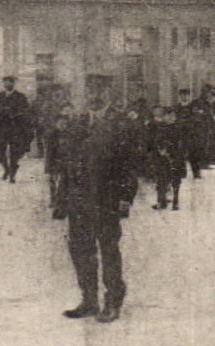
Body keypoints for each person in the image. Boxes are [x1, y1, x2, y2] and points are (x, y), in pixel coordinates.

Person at [53, 90, 137, 322]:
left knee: (109, 250)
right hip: (79, 201)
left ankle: (113, 302)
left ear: (108, 93)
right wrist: (61, 198)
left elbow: (129, 164)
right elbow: (67, 165)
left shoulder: (120, 124)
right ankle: (89, 300)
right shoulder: (77, 124)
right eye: (90, 89)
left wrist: (126, 197)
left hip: (106, 200)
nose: (94, 96)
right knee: (81, 250)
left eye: (99, 88)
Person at [0, 76, 34, 183]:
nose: (7, 84)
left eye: (10, 82)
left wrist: (13, 113)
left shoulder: (20, 97)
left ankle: (12, 175)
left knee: (14, 153)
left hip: (15, 129)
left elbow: (25, 111)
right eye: (5, 82)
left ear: (13, 84)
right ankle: (6, 169)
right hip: (2, 129)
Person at [146, 105, 185, 210]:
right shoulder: (161, 128)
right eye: (168, 115)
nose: (170, 118)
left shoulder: (179, 128)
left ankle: (176, 201)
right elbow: (156, 141)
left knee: (176, 179)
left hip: (176, 157)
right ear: (164, 116)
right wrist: (160, 149)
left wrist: (176, 152)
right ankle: (161, 200)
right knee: (161, 178)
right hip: (162, 157)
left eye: (173, 116)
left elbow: (183, 142)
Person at [44, 102, 73, 210]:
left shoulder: (69, 133)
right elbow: (49, 152)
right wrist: (49, 166)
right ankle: (54, 200)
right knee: (54, 182)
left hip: (66, 162)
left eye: (64, 124)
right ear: (56, 123)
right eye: (60, 123)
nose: (62, 126)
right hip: (55, 162)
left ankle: (62, 201)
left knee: (64, 182)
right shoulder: (53, 135)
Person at [172, 87, 206, 179]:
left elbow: (198, 120)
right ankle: (182, 173)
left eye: (186, 95)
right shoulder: (176, 108)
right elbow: (174, 120)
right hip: (180, 133)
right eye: (183, 95)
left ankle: (196, 172)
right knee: (180, 153)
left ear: (189, 96)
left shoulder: (194, 107)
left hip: (191, 134)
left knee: (193, 153)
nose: (185, 97)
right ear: (180, 96)